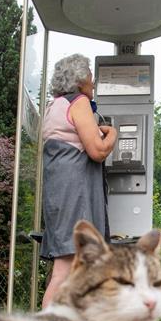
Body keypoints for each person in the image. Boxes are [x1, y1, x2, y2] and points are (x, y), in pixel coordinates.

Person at [40, 53, 118, 307]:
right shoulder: (79, 103)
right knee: (64, 270)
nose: (93, 84)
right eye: (91, 78)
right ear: (80, 80)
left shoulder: (55, 106)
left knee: (68, 270)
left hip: (59, 196)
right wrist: (113, 133)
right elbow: (97, 151)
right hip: (76, 196)